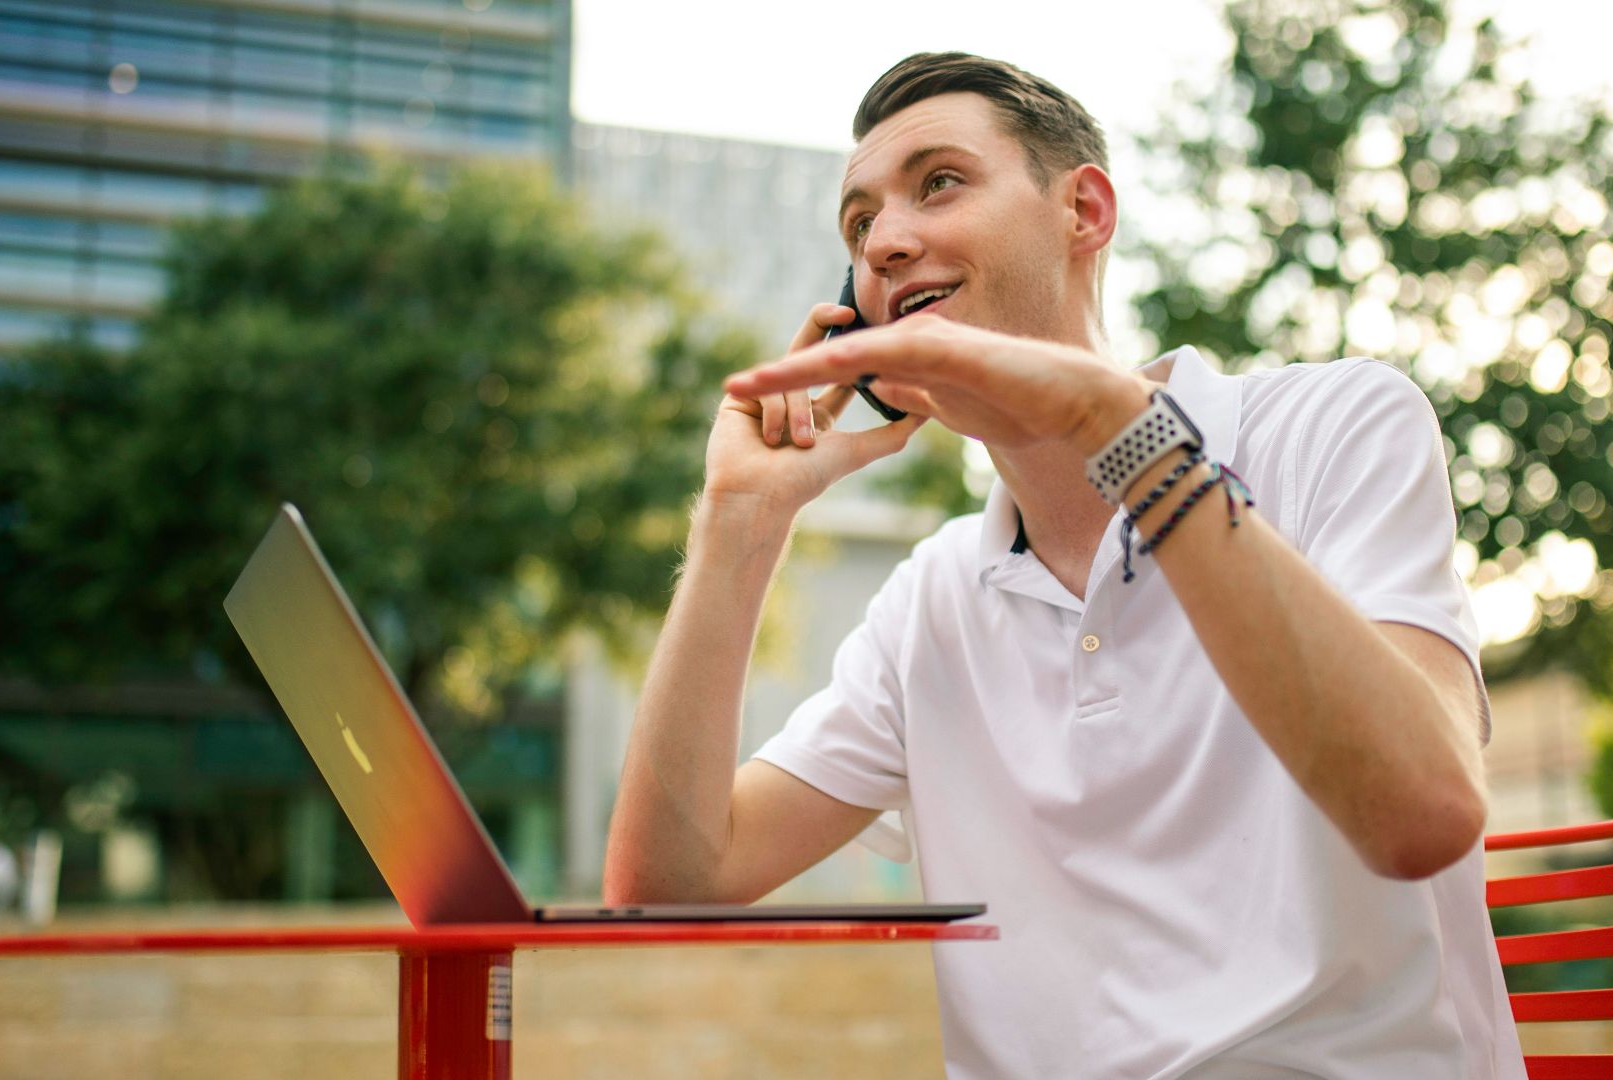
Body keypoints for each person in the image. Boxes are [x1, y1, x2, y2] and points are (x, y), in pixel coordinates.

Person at [605, 51, 1526, 1079]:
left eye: (938, 183)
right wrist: (739, 519)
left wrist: (1112, 428)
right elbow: (663, 886)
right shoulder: (933, 601)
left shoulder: (1337, 424)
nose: (887, 244)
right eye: (858, 229)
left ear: (1083, 210)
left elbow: (1425, 815)